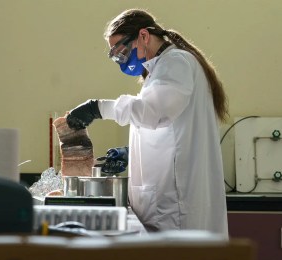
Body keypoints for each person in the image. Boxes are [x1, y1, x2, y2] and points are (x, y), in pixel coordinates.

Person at [66, 9, 229, 237]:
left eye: (122, 50)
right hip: (166, 202)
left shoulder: (177, 62)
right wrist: (131, 153)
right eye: (116, 55)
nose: (122, 59)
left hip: (177, 206)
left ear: (143, 36)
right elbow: (169, 129)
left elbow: (154, 113)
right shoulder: (163, 69)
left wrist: (98, 108)